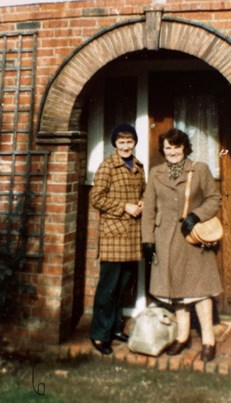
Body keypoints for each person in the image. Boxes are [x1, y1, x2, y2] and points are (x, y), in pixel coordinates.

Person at [141, 128, 222, 362]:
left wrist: (196, 215)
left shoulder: (200, 169)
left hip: (193, 239)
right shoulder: (156, 173)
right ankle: (182, 336)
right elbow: (148, 210)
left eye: (177, 147)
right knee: (175, 290)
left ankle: (208, 340)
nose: (173, 152)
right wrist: (148, 239)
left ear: (185, 147)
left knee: (200, 290)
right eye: (168, 148)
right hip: (165, 240)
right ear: (163, 150)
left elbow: (214, 198)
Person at [90, 124, 145, 355]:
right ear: (115, 144)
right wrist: (125, 207)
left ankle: (115, 329)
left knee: (122, 287)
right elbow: (97, 198)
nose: (125, 145)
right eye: (121, 142)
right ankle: (100, 336)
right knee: (108, 288)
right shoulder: (107, 166)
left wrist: (142, 202)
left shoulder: (139, 167)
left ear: (134, 143)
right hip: (114, 235)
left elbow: (142, 191)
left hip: (132, 234)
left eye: (129, 141)